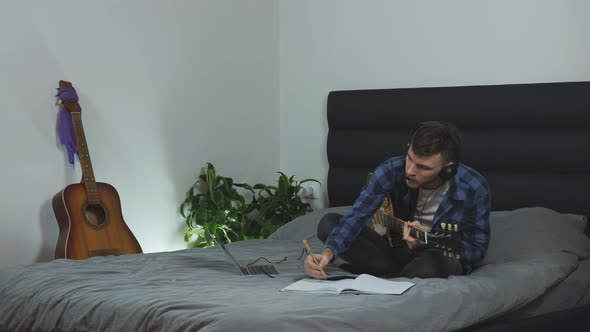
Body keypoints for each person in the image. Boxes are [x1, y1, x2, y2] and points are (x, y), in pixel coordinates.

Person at [304, 121, 491, 279]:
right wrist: (327, 254)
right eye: (410, 159)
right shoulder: (391, 170)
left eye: (423, 167)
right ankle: (394, 276)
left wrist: (427, 242)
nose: (410, 170)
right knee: (329, 223)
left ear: (447, 170)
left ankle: (389, 279)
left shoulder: (473, 187)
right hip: (394, 251)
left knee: (439, 264)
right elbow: (357, 216)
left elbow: (475, 250)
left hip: (435, 254)